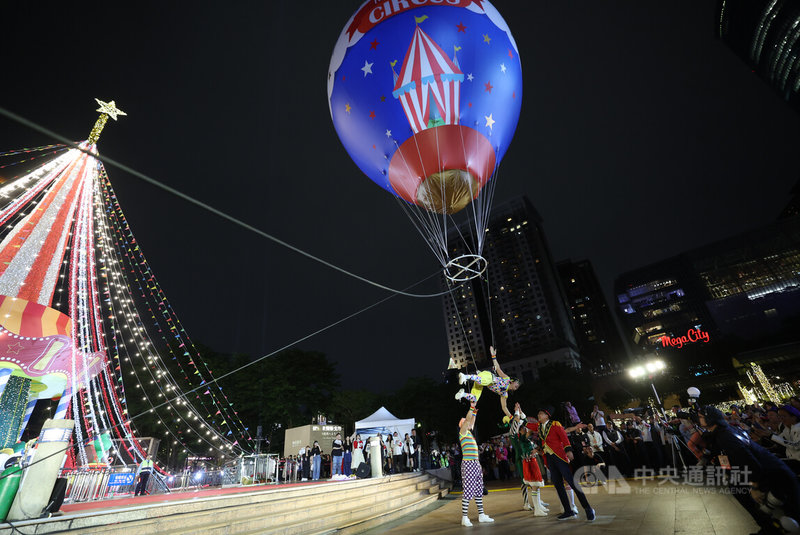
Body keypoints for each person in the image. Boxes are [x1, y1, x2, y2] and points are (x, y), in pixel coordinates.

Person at [528, 407, 595, 522]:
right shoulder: (539, 427)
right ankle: (568, 511)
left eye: (541, 414)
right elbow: (527, 424)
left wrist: (568, 450)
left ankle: (588, 508)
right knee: (558, 485)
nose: (538, 416)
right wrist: (515, 414)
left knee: (572, 483)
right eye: (538, 414)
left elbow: (564, 437)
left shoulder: (555, 424)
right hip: (549, 458)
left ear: (547, 416)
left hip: (559, 457)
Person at [458, 398, 494, 527]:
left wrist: (475, 413)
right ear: (462, 425)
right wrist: (471, 408)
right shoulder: (462, 433)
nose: (468, 424)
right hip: (468, 464)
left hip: (475, 463)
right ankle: (464, 517)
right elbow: (468, 421)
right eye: (465, 423)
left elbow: (471, 422)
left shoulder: (469, 433)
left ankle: (481, 515)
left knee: (478, 489)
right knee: (468, 490)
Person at [507, 402, 547, 515]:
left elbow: (525, 421)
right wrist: (516, 411)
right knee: (524, 481)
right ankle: (526, 503)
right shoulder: (513, 434)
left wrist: (520, 410)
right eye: (522, 427)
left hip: (529, 459)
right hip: (522, 460)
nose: (524, 427)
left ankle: (537, 502)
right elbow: (517, 422)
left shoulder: (523, 436)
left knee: (534, 481)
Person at [455, 346, 520, 416]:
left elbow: (504, 407)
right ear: (513, 381)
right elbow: (498, 368)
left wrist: (511, 417)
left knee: (475, 399)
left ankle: (462, 394)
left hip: (483, 383)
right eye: (517, 384)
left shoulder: (504, 394)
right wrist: (493, 356)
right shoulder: (507, 379)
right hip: (489, 376)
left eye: (517, 387)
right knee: (485, 381)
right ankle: (465, 376)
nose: (517, 386)